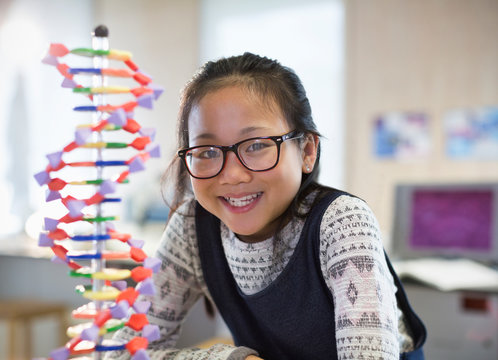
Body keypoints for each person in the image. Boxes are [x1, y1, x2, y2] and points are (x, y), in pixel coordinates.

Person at [110, 52, 426, 359]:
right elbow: (124, 351)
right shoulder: (193, 226)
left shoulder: (342, 222)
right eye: (206, 151)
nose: (231, 175)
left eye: (258, 146)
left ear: (306, 151)